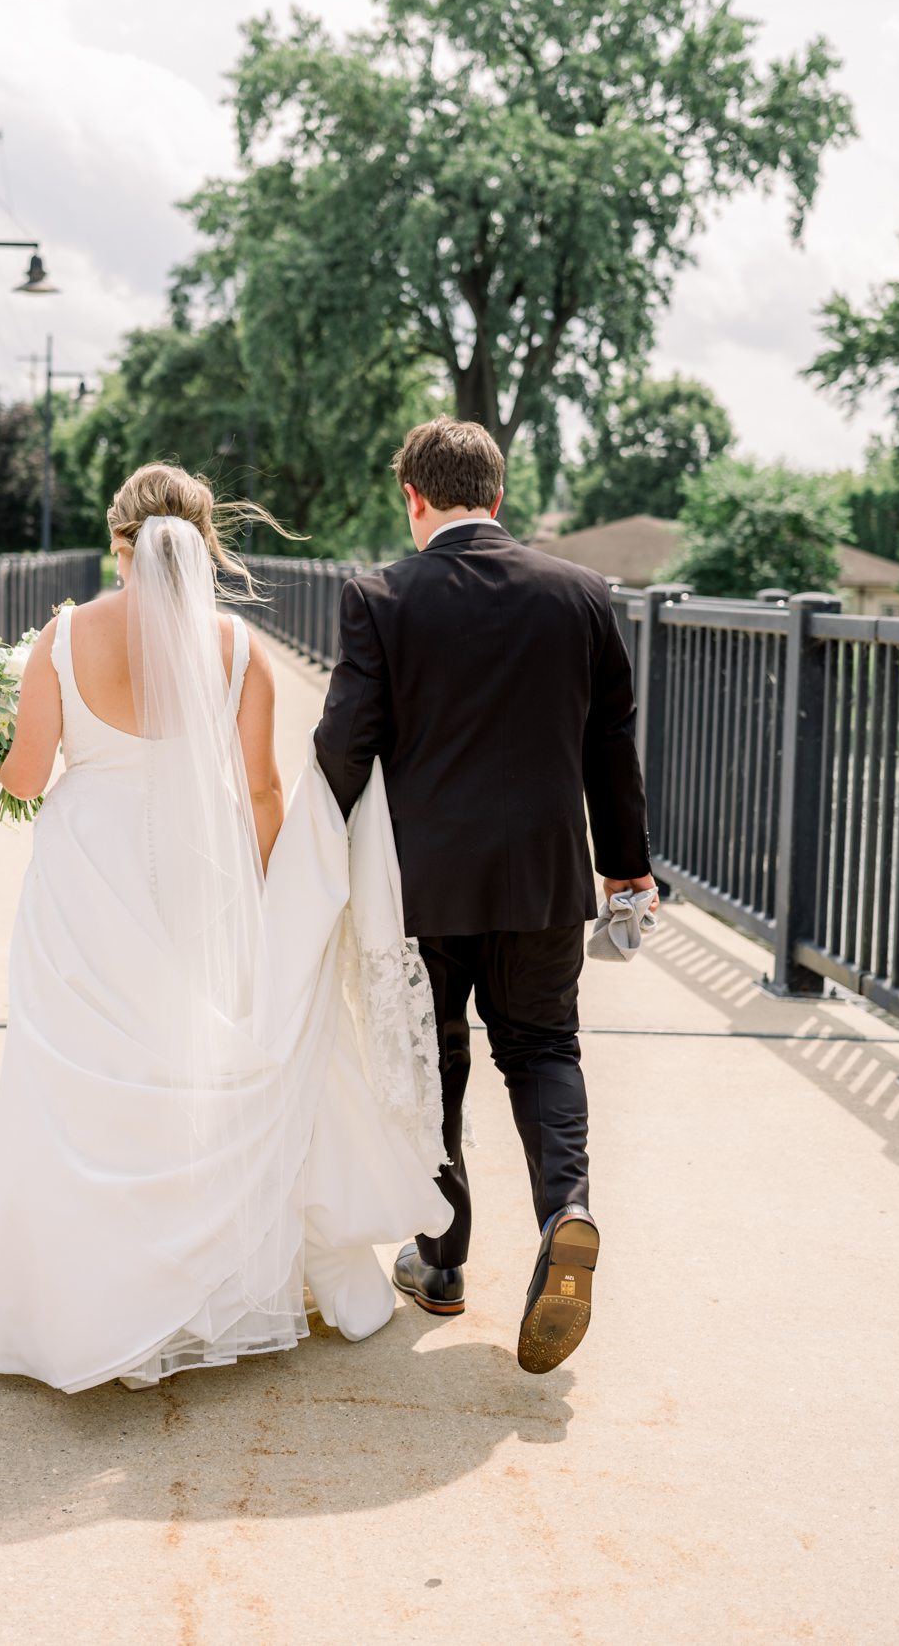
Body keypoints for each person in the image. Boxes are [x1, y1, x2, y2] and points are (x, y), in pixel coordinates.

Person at [0, 464, 450, 1393]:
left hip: (85, 878)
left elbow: (24, 780)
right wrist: (272, 901)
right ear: (205, 541)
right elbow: (262, 790)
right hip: (203, 872)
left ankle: (86, 1301)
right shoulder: (238, 647)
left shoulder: (61, 637)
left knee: (78, 1078)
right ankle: (202, 1281)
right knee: (197, 1067)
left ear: (118, 542)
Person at [314, 417, 657, 1374]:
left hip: (425, 887)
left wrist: (309, 851)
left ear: (411, 499)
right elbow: (609, 747)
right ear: (497, 497)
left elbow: (347, 743)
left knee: (442, 1069)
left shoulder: (379, 597)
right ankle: (568, 1210)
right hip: (546, 879)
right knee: (543, 1048)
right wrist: (625, 865)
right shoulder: (582, 595)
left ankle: (442, 1259)